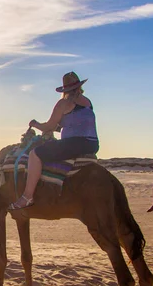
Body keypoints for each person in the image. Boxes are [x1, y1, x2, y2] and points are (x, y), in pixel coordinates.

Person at [8, 71, 99, 210]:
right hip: (92, 144)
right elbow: (74, 124)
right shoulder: (87, 102)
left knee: (35, 154)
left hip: (74, 144)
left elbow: (49, 126)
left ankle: (27, 196)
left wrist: (35, 124)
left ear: (65, 89)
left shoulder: (63, 103)